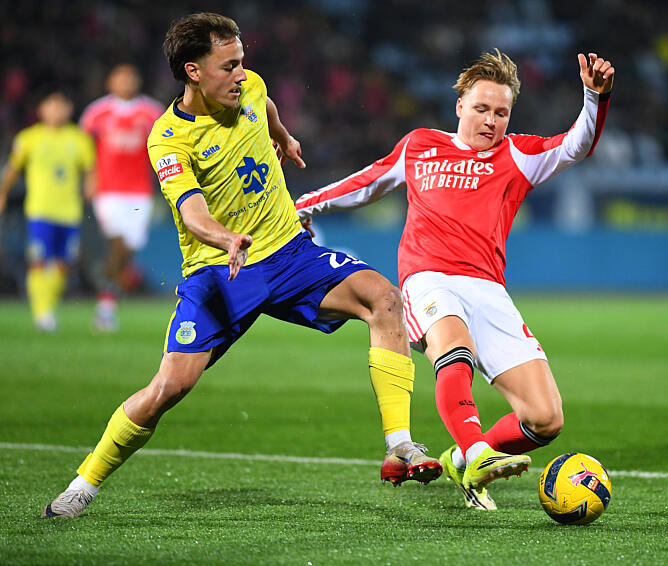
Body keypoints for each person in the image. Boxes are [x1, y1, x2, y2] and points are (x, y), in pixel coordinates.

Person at [41, 12, 440, 519]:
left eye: (241, 61)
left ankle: (399, 444)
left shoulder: (249, 86)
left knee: (383, 298)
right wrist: (226, 237)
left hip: (290, 252)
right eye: (227, 65)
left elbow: (264, 102)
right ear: (192, 71)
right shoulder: (169, 138)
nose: (240, 73)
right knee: (169, 388)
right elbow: (191, 212)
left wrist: (283, 134)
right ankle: (83, 485)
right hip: (221, 271)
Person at [296, 50, 614, 509]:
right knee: (454, 349)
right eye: (481, 109)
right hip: (428, 279)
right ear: (460, 105)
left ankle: (463, 459)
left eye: (501, 113)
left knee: (545, 419)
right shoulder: (420, 145)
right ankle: (477, 451)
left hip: (488, 290)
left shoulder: (517, 154)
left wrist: (594, 97)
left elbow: (575, 145)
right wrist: (305, 205)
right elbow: (368, 182)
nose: (490, 121)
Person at [0, 91, 95, 332]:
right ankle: (42, 312)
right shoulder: (28, 138)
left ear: (69, 109)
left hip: (70, 212)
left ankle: (48, 308)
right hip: (40, 211)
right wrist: (2, 194)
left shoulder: (79, 139)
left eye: (61, 105)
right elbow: (12, 169)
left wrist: (91, 186)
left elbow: (91, 170)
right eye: (51, 105)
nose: (56, 110)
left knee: (62, 265)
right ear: (41, 109)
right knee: (39, 261)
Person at [81, 64, 165, 332]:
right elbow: (84, 146)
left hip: (140, 191)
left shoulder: (151, 112)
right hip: (108, 190)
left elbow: (166, 145)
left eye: (130, 77)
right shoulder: (97, 112)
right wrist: (89, 176)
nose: (126, 82)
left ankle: (107, 295)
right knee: (117, 243)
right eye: (120, 77)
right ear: (110, 82)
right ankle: (107, 303)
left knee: (128, 249)